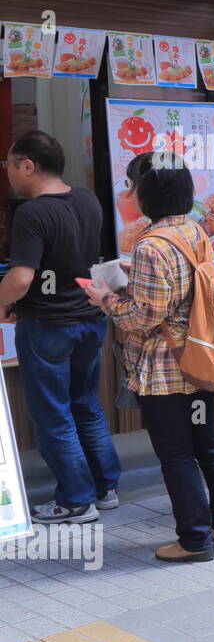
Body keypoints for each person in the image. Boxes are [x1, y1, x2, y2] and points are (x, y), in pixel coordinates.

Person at [86, 152, 214, 562]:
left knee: (176, 455)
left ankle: (194, 540)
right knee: (207, 441)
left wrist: (105, 298)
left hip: (165, 368)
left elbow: (143, 318)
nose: (130, 192)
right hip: (201, 358)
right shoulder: (194, 230)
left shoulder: (151, 245)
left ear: (147, 193)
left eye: (133, 186)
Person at [0, 131, 121, 524]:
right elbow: (70, 268)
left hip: (48, 329)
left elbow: (21, 278)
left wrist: (6, 301)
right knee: (86, 406)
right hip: (89, 322)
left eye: (9, 164)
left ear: (28, 166)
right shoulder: (87, 199)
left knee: (53, 414)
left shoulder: (31, 213)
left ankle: (74, 500)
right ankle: (105, 489)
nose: (8, 173)